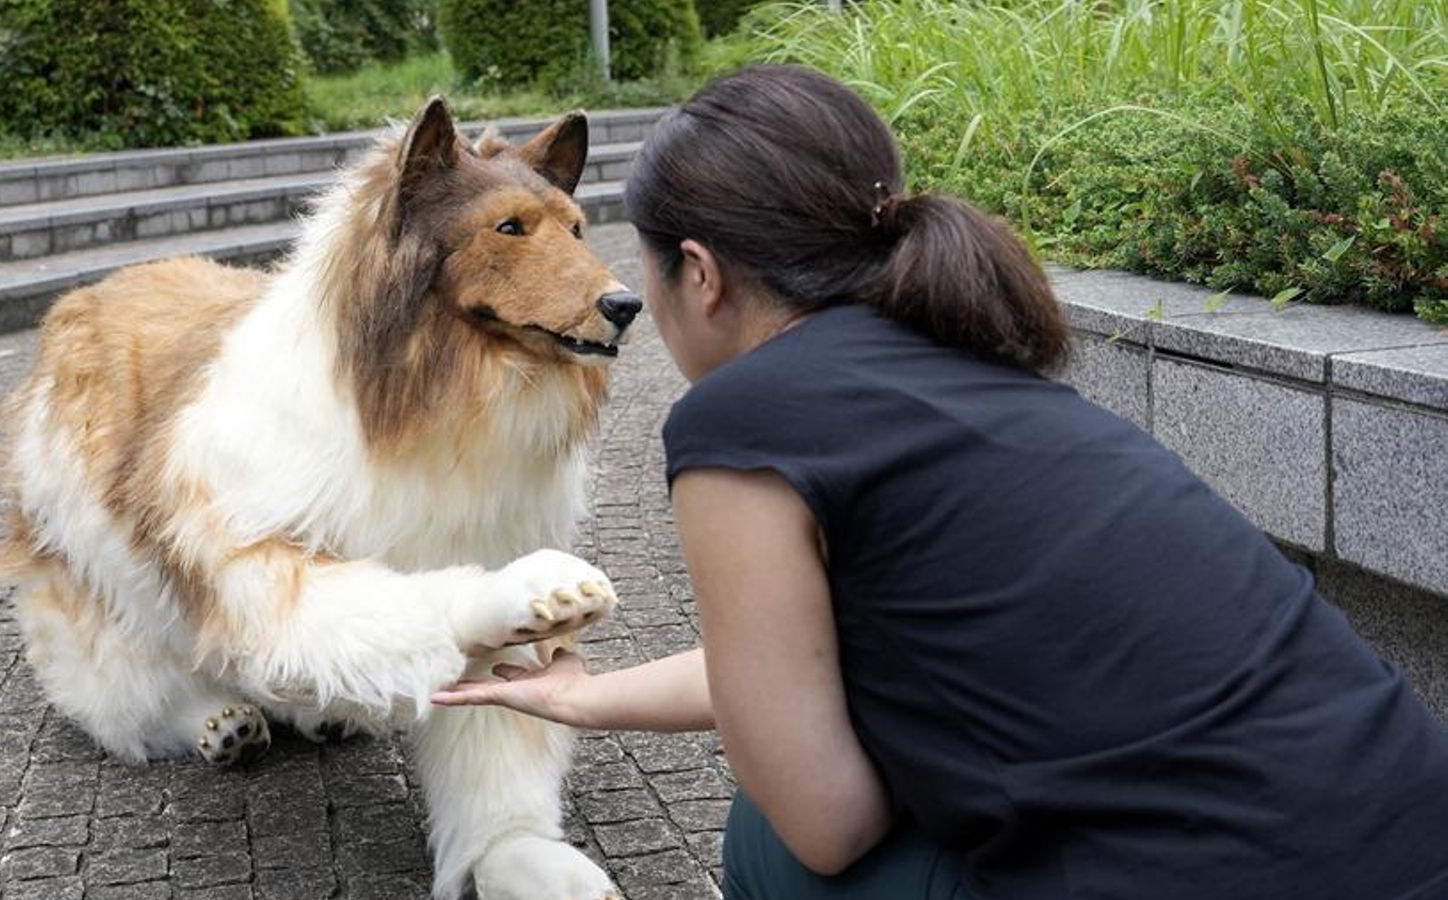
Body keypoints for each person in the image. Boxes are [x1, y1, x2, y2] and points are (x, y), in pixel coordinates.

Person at [432, 64, 1448, 900]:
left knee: (772, 850)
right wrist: (588, 695)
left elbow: (827, 824)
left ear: (697, 271)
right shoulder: (968, 360)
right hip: (1405, 831)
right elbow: (795, 664)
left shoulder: (743, 419)